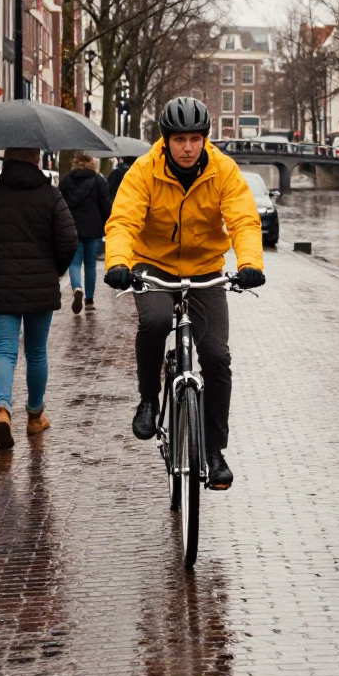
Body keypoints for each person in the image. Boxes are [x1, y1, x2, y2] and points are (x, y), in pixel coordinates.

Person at [104, 97, 264, 490]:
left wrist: (249, 265)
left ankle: (214, 450)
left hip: (205, 267)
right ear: (166, 141)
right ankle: (148, 399)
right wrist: (118, 263)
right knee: (156, 320)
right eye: (180, 140)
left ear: (205, 140)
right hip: (152, 263)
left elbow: (243, 218)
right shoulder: (144, 170)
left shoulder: (223, 170)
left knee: (216, 356)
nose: (188, 148)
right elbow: (124, 219)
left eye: (195, 139)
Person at [0, 147, 78, 450]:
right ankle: (34, 416)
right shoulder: (51, 195)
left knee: (5, 350)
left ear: (6, 160)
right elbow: (69, 239)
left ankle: (2, 409)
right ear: (37, 160)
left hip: (1, 283)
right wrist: (55, 269)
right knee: (37, 352)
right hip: (40, 286)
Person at [59, 153, 112, 315]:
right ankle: (89, 300)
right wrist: (106, 224)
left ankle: (76, 287)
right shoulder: (99, 181)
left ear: (74, 163)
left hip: (73, 228)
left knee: (74, 263)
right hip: (93, 228)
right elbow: (105, 205)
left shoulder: (67, 181)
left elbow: (59, 204)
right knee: (90, 265)